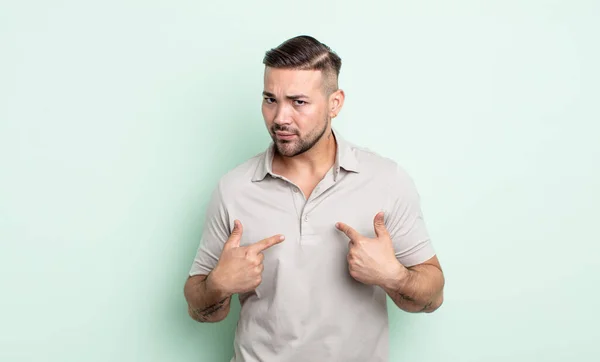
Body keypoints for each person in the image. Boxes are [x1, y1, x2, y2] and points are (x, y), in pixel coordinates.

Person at [183, 35, 445, 362]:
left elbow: (433, 296)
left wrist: (394, 276)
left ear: (335, 103)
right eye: (270, 99)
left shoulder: (386, 180)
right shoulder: (234, 189)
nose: (280, 117)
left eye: (299, 102)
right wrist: (218, 285)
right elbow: (197, 306)